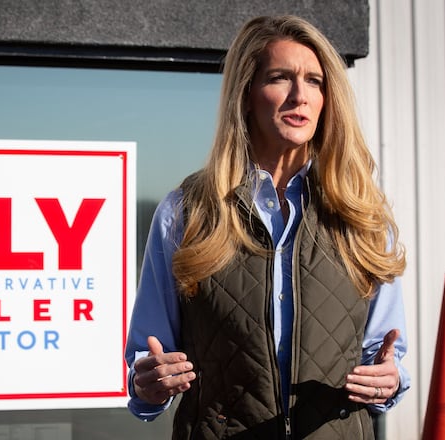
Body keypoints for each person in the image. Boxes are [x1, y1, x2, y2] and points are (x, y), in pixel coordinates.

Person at [125, 15, 409, 439]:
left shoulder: (361, 215)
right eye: (280, 78)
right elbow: (148, 362)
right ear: (246, 94)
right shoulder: (187, 212)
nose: (301, 96)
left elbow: (385, 356)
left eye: (315, 81)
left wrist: (389, 380)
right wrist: (148, 383)